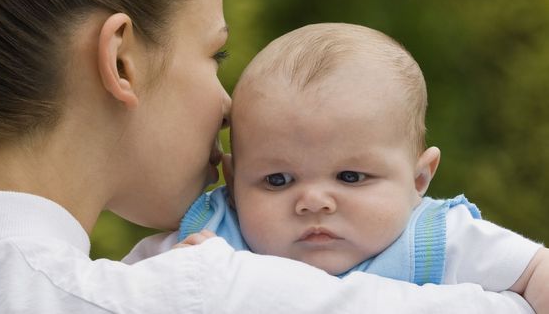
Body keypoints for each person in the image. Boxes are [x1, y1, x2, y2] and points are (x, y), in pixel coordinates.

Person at [0, 0, 539, 312]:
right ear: (122, 61)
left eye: (351, 176)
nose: (226, 106)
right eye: (215, 56)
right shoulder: (199, 292)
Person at [125, 23, 548, 313]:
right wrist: (168, 280)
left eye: (350, 177)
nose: (313, 201)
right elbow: (108, 295)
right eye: (277, 180)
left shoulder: (436, 239)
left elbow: (535, 271)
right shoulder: (214, 238)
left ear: (419, 179)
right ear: (234, 183)